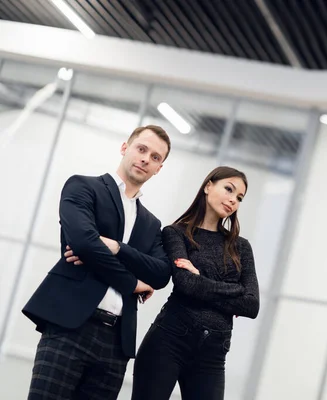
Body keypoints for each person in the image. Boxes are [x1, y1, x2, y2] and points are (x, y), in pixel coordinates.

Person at [22, 125, 173, 400]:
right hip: (69, 327)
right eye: (141, 149)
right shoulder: (84, 186)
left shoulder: (152, 225)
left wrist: (116, 247)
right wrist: (132, 282)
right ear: (125, 148)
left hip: (116, 345)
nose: (145, 159)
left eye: (155, 157)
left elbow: (162, 274)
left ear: (159, 168)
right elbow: (83, 242)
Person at [131, 166, 260, 400]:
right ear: (208, 186)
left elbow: (251, 305)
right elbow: (185, 283)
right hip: (168, 341)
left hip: (213, 353)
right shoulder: (175, 233)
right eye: (229, 189)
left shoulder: (241, 247)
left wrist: (200, 278)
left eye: (239, 198)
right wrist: (234, 291)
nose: (233, 200)